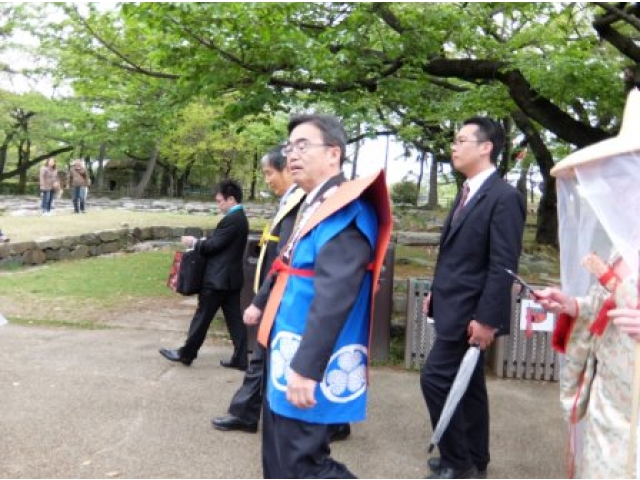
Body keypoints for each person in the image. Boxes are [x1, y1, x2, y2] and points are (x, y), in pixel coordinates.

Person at [256, 113, 391, 478]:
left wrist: (306, 367)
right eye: (289, 147)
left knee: (303, 462)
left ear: (334, 154)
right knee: (279, 456)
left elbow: (335, 296)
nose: (292, 155)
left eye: (303, 145)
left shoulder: (346, 208)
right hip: (287, 343)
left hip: (306, 355)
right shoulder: (313, 203)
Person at [533, 87, 640, 479]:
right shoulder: (622, 245)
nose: (622, 191)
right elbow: (603, 305)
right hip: (610, 400)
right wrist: (572, 305)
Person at [210, 146, 352, 442]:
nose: (266, 180)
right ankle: (249, 412)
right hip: (277, 293)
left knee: (272, 355)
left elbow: (286, 259)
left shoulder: (301, 204)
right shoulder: (291, 202)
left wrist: (261, 300)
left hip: (285, 296)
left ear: (288, 169)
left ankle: (252, 413)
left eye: (269, 173)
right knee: (265, 355)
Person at [422, 117, 526, 479]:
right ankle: (476, 457)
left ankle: (457, 460)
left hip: (472, 313)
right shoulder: (467, 190)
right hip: (452, 304)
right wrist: (435, 293)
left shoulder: (504, 197)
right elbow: (457, 255)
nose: (454, 146)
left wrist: (487, 320)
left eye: (462, 139)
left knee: (434, 377)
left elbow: (502, 266)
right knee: (469, 386)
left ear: (486, 147)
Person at [159, 179, 249, 369]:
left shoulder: (233, 220)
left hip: (218, 280)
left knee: (202, 317)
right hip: (230, 279)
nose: (218, 205)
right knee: (234, 320)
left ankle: (186, 354)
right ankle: (240, 359)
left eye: (219, 201)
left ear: (231, 199)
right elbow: (221, 243)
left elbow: (214, 246)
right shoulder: (239, 218)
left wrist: (194, 242)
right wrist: (202, 241)